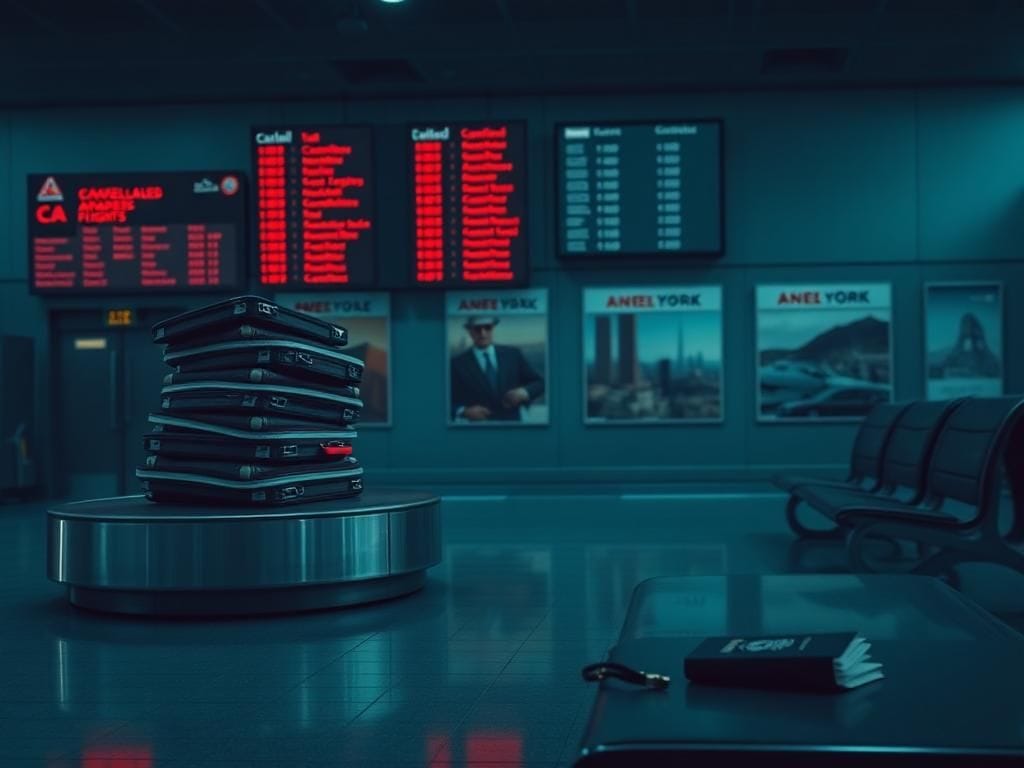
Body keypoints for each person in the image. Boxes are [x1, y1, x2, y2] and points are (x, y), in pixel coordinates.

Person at [451, 315, 545, 422]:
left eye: (487, 327)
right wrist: (464, 411)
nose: (483, 333)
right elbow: (446, 399)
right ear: (469, 331)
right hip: (477, 430)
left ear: (493, 328)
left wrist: (524, 392)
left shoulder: (512, 355)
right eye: (477, 329)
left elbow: (540, 383)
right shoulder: (457, 364)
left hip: (512, 426)